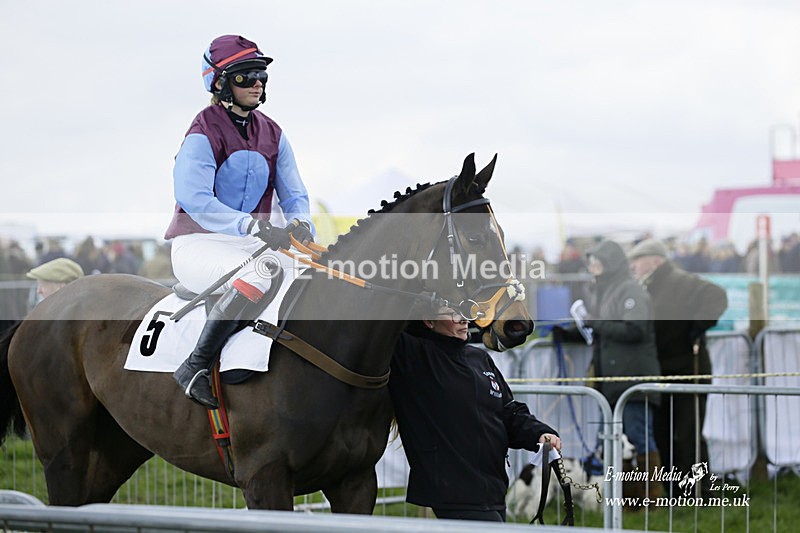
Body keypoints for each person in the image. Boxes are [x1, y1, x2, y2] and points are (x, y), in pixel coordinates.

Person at [164, 34, 315, 409]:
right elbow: (194, 198)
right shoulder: (203, 131)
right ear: (220, 83)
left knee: (313, 278)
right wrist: (251, 226)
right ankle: (195, 366)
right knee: (261, 274)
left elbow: (294, 194)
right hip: (198, 244)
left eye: (260, 75)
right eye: (246, 76)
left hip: (250, 244)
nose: (257, 83)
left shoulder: (274, 133)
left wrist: (300, 224)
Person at [390, 306, 561, 522]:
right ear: (428, 320)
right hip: (455, 496)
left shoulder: (478, 357)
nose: (463, 319)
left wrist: (540, 433)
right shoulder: (414, 355)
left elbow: (508, 412)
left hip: (494, 493)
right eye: (451, 313)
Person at [553, 239, 662, 503]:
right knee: (610, 441)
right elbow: (599, 332)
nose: (593, 268)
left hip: (633, 380)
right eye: (592, 263)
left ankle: (648, 499)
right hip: (611, 380)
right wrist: (567, 333)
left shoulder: (629, 290)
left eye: (598, 263)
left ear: (611, 264)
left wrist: (597, 322)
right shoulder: (606, 290)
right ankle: (618, 498)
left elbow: (635, 329)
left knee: (638, 439)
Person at [627, 238, 728, 496]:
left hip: (688, 370)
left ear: (655, 260)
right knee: (663, 432)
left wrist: (696, 326)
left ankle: (699, 491)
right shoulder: (645, 286)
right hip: (662, 371)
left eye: (637, 260)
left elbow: (717, 296)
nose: (634, 266)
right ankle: (674, 490)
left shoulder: (680, 280)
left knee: (687, 434)